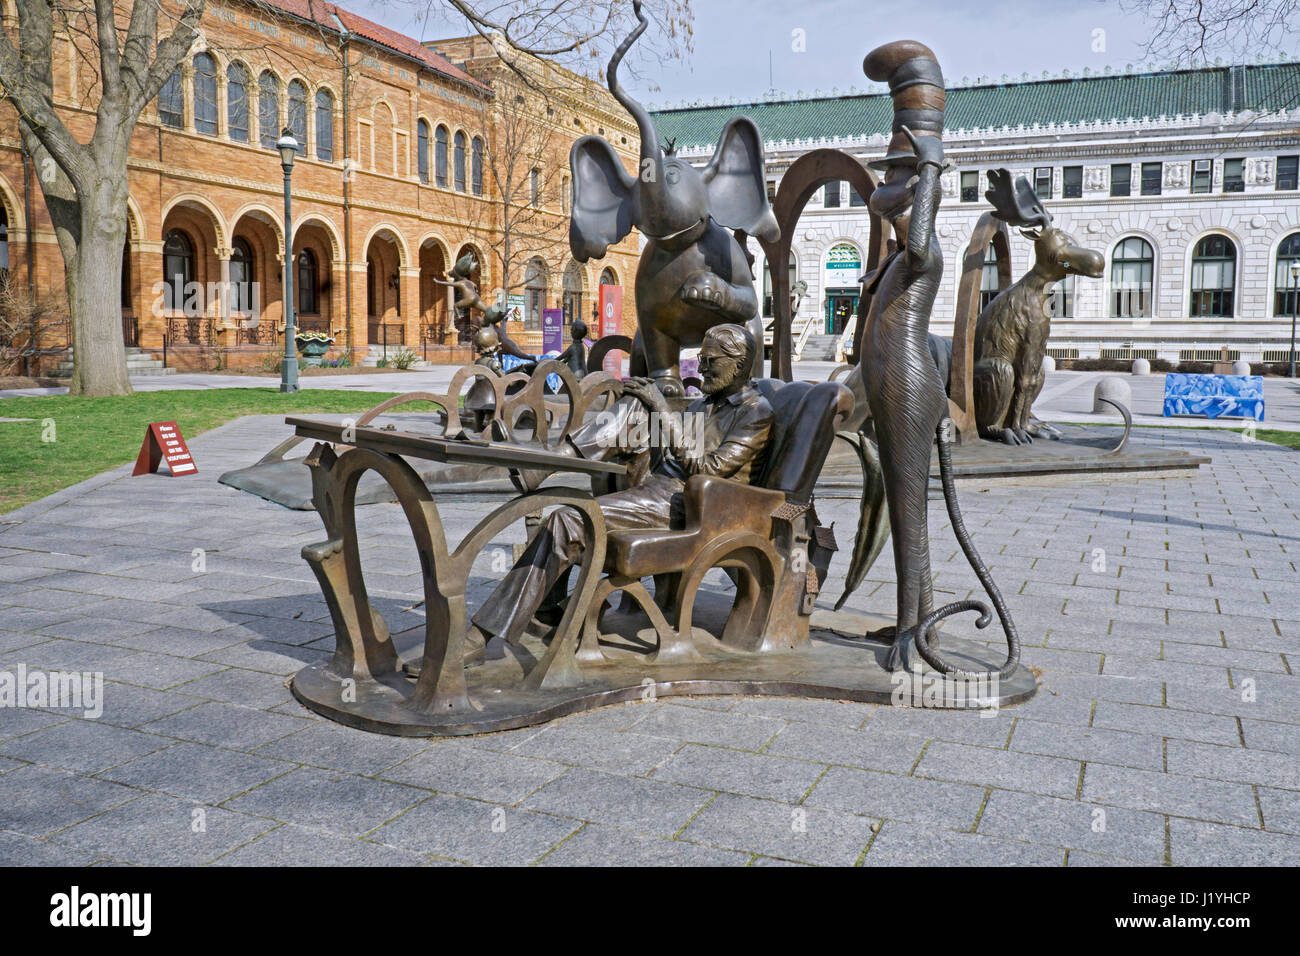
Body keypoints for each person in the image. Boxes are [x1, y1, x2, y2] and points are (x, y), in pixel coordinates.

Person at [469, 323, 774, 653]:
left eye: (709, 360)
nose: (700, 367)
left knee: (567, 520)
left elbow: (706, 469)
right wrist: (645, 411)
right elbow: (676, 446)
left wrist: (660, 410)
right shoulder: (705, 403)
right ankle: (554, 463)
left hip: (696, 507)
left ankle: (480, 637)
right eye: (700, 358)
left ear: (739, 364)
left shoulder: (755, 413)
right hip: (661, 488)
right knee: (636, 404)